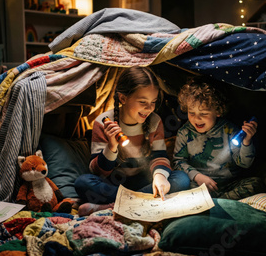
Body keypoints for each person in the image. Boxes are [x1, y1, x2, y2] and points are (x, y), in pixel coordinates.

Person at [74, 66, 190, 215]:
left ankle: (112, 206)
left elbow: (160, 157)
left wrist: (160, 176)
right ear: (123, 98)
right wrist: (112, 146)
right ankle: (140, 202)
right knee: (83, 183)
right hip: (114, 183)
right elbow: (98, 171)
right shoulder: (103, 122)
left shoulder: (155, 121)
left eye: (153, 102)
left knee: (181, 179)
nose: (149, 109)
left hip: (144, 180)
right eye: (143, 102)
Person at [173, 77, 265, 200]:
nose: (196, 118)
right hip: (198, 185)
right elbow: (178, 162)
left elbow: (244, 163)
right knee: (178, 183)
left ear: (217, 111)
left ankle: (219, 202)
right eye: (191, 113)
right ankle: (211, 202)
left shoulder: (230, 130)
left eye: (204, 113)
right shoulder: (184, 133)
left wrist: (246, 141)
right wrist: (197, 176)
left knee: (256, 183)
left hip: (229, 185)